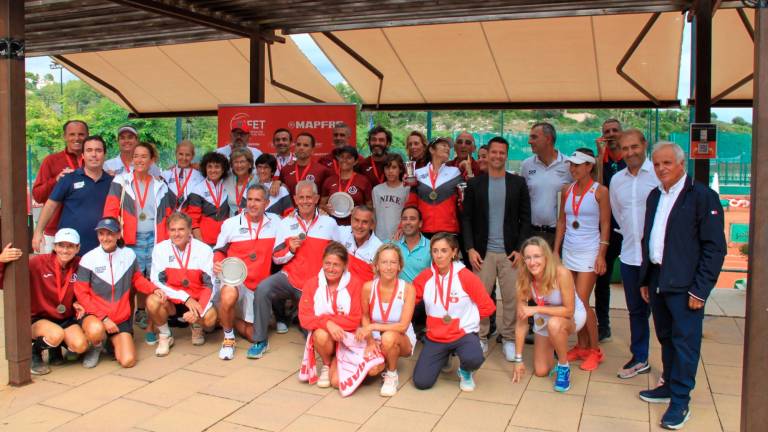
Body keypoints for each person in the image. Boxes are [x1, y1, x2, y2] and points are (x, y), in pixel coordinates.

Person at [637, 142, 726, 430]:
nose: (661, 168)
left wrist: (700, 290)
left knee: (686, 343)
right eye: (657, 163)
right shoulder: (654, 196)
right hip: (659, 280)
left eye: (667, 163)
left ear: (681, 164)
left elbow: (714, 248)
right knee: (665, 336)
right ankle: (668, 386)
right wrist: (646, 279)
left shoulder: (702, 197)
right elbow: (650, 238)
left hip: (687, 287)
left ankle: (680, 401)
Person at [247, 180, 340, 359]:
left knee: (310, 336)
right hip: (288, 278)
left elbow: (338, 253)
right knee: (263, 289)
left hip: (315, 284)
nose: (305, 201)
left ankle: (304, 327)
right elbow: (276, 256)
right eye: (301, 197)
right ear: (295, 199)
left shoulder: (329, 223)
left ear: (316, 199)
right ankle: (260, 340)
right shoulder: (285, 223)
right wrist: (290, 249)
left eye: (309, 197)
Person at [462, 136, 531, 358]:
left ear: (506, 155)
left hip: (510, 252)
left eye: (502, 153)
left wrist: (520, 248)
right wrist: (470, 248)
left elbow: (525, 219)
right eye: (494, 152)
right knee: (480, 296)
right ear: (487, 154)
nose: (498, 156)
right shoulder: (475, 184)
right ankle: (480, 337)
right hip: (482, 253)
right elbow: (467, 219)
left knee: (511, 297)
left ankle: (509, 338)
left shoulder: (517, 183)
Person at [103, 142, 175, 335]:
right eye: (136, 156)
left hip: (155, 239)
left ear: (152, 160)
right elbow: (111, 208)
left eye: (144, 156)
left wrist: (169, 240)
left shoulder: (160, 184)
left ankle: (153, 325)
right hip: (130, 239)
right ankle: (125, 323)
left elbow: (168, 213)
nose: (139, 160)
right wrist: (112, 235)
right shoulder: (121, 181)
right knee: (129, 281)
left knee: (154, 281)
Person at [412, 233, 496, 391]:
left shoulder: (466, 276)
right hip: (436, 336)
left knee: (474, 358)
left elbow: (488, 307)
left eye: (444, 250)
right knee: (422, 383)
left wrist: (468, 323)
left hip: (462, 334)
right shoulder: (425, 277)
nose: (439, 255)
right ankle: (444, 357)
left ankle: (465, 371)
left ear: (454, 252)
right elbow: (409, 301)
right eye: (435, 251)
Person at [75, 217, 162, 368]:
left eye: (109, 234)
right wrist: (103, 318)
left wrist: (154, 289)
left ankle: (108, 343)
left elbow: (138, 279)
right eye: (101, 234)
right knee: (96, 330)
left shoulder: (129, 255)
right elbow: (82, 294)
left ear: (118, 234)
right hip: (97, 317)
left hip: (120, 318)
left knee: (128, 361)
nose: (105, 238)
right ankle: (96, 345)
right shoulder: (88, 259)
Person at [554, 149, 610, 371]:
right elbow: (561, 222)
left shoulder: (600, 191)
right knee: (571, 300)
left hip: (589, 251)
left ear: (589, 167)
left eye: (578, 165)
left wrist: (601, 255)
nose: (573, 168)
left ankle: (595, 350)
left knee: (582, 302)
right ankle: (581, 345)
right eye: (571, 165)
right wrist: (556, 251)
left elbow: (605, 224)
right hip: (569, 250)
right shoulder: (567, 190)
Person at [609, 129, 659, 379]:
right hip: (630, 257)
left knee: (663, 314)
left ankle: (671, 367)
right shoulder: (617, 180)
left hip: (657, 260)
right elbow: (620, 215)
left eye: (634, 147)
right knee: (636, 312)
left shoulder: (659, 175)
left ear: (644, 145)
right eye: (625, 148)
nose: (630, 152)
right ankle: (640, 358)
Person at [511, 237, 587, 392]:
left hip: (570, 317)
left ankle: (564, 367)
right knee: (540, 371)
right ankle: (554, 344)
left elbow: (569, 310)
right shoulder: (523, 278)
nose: (532, 262)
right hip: (543, 315)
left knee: (554, 325)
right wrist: (518, 359)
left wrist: (536, 309)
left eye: (537, 256)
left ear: (546, 256)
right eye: (528, 258)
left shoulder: (561, 273)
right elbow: (521, 322)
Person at [214, 185, 280, 359]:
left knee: (254, 336)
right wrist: (217, 263)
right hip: (236, 280)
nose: (252, 204)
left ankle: (226, 317)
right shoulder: (231, 224)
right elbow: (219, 250)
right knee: (228, 295)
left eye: (257, 200)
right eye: (249, 199)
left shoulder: (276, 222)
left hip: (258, 287)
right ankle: (228, 338)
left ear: (266, 203)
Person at [147, 212, 217, 356]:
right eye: (172, 230)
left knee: (210, 319)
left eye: (181, 229)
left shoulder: (204, 249)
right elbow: (156, 281)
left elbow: (210, 285)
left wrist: (198, 311)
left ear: (190, 230)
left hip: (195, 301)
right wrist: (184, 297)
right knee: (152, 301)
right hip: (172, 302)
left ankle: (196, 325)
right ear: (168, 231)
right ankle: (165, 335)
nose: (176, 234)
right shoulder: (160, 249)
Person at [33, 135, 113, 255]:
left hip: (101, 248)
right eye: (89, 150)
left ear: (104, 155)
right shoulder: (69, 179)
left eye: (98, 150)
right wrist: (38, 232)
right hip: (70, 248)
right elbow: (50, 205)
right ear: (83, 155)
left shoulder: (113, 182)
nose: (94, 154)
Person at [298, 242, 363, 388]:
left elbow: (354, 319)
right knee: (320, 334)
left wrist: (327, 321)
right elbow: (304, 318)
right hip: (328, 337)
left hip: (348, 338)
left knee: (337, 383)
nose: (331, 269)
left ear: (345, 266)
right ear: (322, 262)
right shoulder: (312, 284)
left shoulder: (355, 284)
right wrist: (327, 323)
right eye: (327, 263)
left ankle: (337, 361)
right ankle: (327, 364)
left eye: (336, 264)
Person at [356, 243, 416, 396]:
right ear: (376, 265)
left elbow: (403, 326)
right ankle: (382, 361)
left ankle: (391, 374)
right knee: (371, 372)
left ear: (399, 266)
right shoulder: (368, 287)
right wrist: (369, 341)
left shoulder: (408, 289)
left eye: (393, 262)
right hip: (375, 338)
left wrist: (372, 327)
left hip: (402, 339)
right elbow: (364, 316)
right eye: (384, 262)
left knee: (389, 337)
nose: (388, 267)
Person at [28, 228, 88, 375]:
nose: (65, 250)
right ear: (54, 246)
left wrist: (78, 302)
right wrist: (2, 260)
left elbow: (87, 288)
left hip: (64, 318)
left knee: (80, 346)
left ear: (77, 248)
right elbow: (8, 278)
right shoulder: (38, 263)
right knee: (55, 334)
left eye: (70, 246)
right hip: (39, 318)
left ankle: (54, 349)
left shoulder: (81, 264)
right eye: (61, 245)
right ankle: (33, 352)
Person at [32, 120, 88, 253]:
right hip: (55, 230)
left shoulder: (93, 161)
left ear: (87, 136)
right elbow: (38, 196)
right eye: (72, 134)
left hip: (85, 230)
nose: (76, 138)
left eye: (81, 134)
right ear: (65, 136)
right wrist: (56, 180)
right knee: (53, 272)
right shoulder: (51, 161)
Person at [594, 118, 627, 342]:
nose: (611, 134)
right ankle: (603, 325)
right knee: (602, 280)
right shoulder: (601, 161)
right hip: (607, 228)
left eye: (615, 130)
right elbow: (597, 188)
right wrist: (599, 156)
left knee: (638, 279)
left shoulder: (629, 159)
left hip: (631, 230)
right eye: (607, 131)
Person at [520, 122, 571, 246]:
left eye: (534, 137)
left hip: (559, 235)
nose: (529, 141)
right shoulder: (526, 165)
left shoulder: (568, 164)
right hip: (532, 233)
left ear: (548, 139)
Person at [406, 137, 462, 237]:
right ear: (432, 150)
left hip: (448, 231)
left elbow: (463, 200)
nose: (448, 148)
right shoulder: (418, 174)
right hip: (423, 230)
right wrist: (403, 226)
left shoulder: (455, 172)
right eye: (444, 145)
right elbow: (411, 203)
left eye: (449, 147)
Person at [186, 151, 231, 246]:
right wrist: (201, 245)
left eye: (217, 167)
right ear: (205, 169)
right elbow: (193, 221)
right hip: (205, 242)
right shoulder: (198, 190)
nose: (213, 170)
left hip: (225, 241)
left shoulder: (228, 186)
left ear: (223, 170)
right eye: (209, 166)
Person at [320, 146, 373, 226]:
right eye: (342, 157)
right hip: (333, 225)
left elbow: (370, 206)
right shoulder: (329, 181)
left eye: (349, 158)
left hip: (356, 226)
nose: (344, 160)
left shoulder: (363, 181)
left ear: (355, 161)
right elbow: (321, 205)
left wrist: (360, 211)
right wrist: (326, 208)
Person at [279, 132, 330, 197]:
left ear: (312, 150)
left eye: (305, 145)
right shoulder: (285, 170)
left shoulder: (322, 171)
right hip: (290, 207)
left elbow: (325, 198)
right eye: (298, 144)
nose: (301, 148)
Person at [338, 206, 382, 282]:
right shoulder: (341, 232)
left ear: (372, 225)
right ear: (351, 220)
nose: (359, 226)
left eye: (365, 222)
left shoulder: (379, 249)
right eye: (356, 220)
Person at [372, 153, 409, 241]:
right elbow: (374, 215)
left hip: (399, 236)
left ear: (400, 169)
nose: (390, 171)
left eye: (394, 167)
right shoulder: (377, 190)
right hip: (380, 236)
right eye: (387, 168)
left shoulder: (406, 189)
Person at [162, 140, 203, 210]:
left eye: (187, 155)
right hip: (170, 218)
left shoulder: (200, 177)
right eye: (181, 154)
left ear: (192, 156)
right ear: (176, 154)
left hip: (190, 218)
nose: (184, 158)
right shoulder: (166, 175)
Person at [395, 206, 431, 283]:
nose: (408, 222)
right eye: (404, 219)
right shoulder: (392, 245)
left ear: (420, 223)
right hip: (398, 294)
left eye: (412, 219)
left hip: (422, 294)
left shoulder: (432, 247)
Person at [223, 147, 257, 215]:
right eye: (236, 162)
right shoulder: (227, 180)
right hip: (232, 223)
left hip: (251, 222)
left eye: (242, 162)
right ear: (232, 165)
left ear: (250, 164)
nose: (239, 165)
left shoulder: (258, 180)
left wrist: (278, 183)